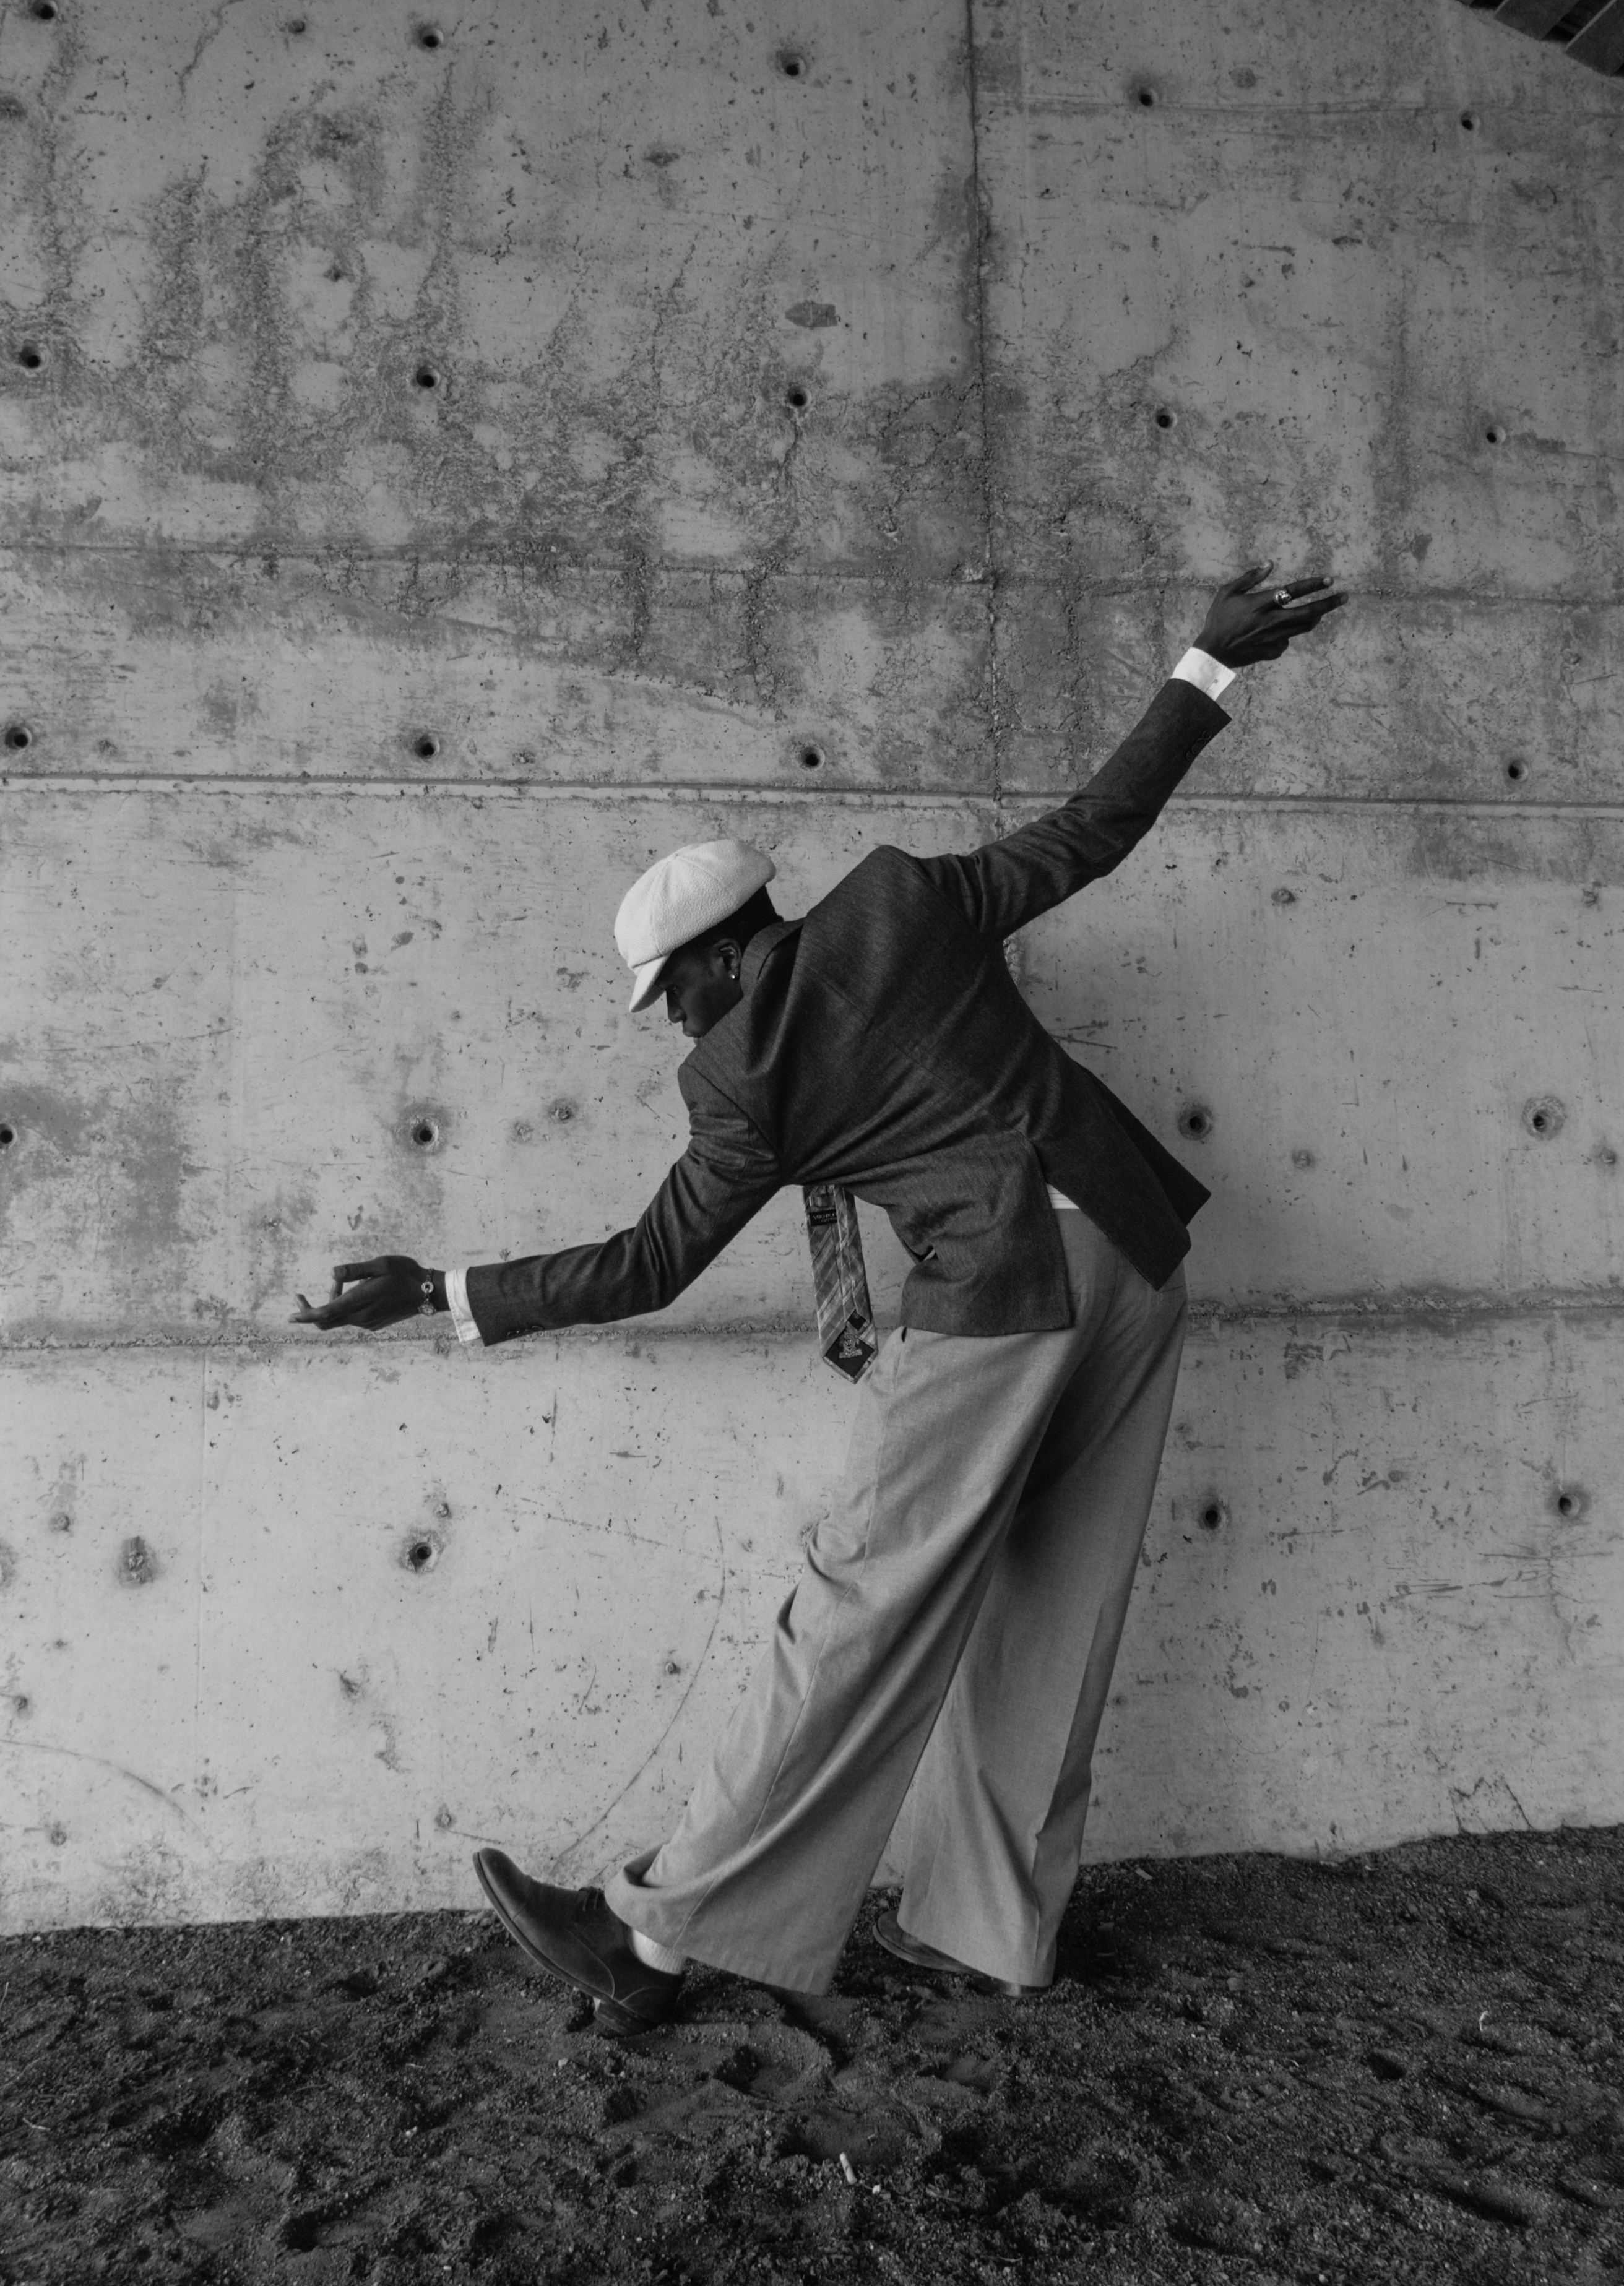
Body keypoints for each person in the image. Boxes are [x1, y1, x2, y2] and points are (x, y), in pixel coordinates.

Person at [296, 561, 1345, 2033]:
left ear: (723, 950)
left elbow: (645, 1262)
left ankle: (657, 1942)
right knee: (1060, 1597)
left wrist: (440, 1289)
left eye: (676, 990)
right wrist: (1205, 664)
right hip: (1133, 1241)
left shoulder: (736, 1082)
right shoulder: (908, 901)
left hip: (1009, 1284)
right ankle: (992, 1934)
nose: (679, 1018)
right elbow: (1097, 831)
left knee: (854, 1605)